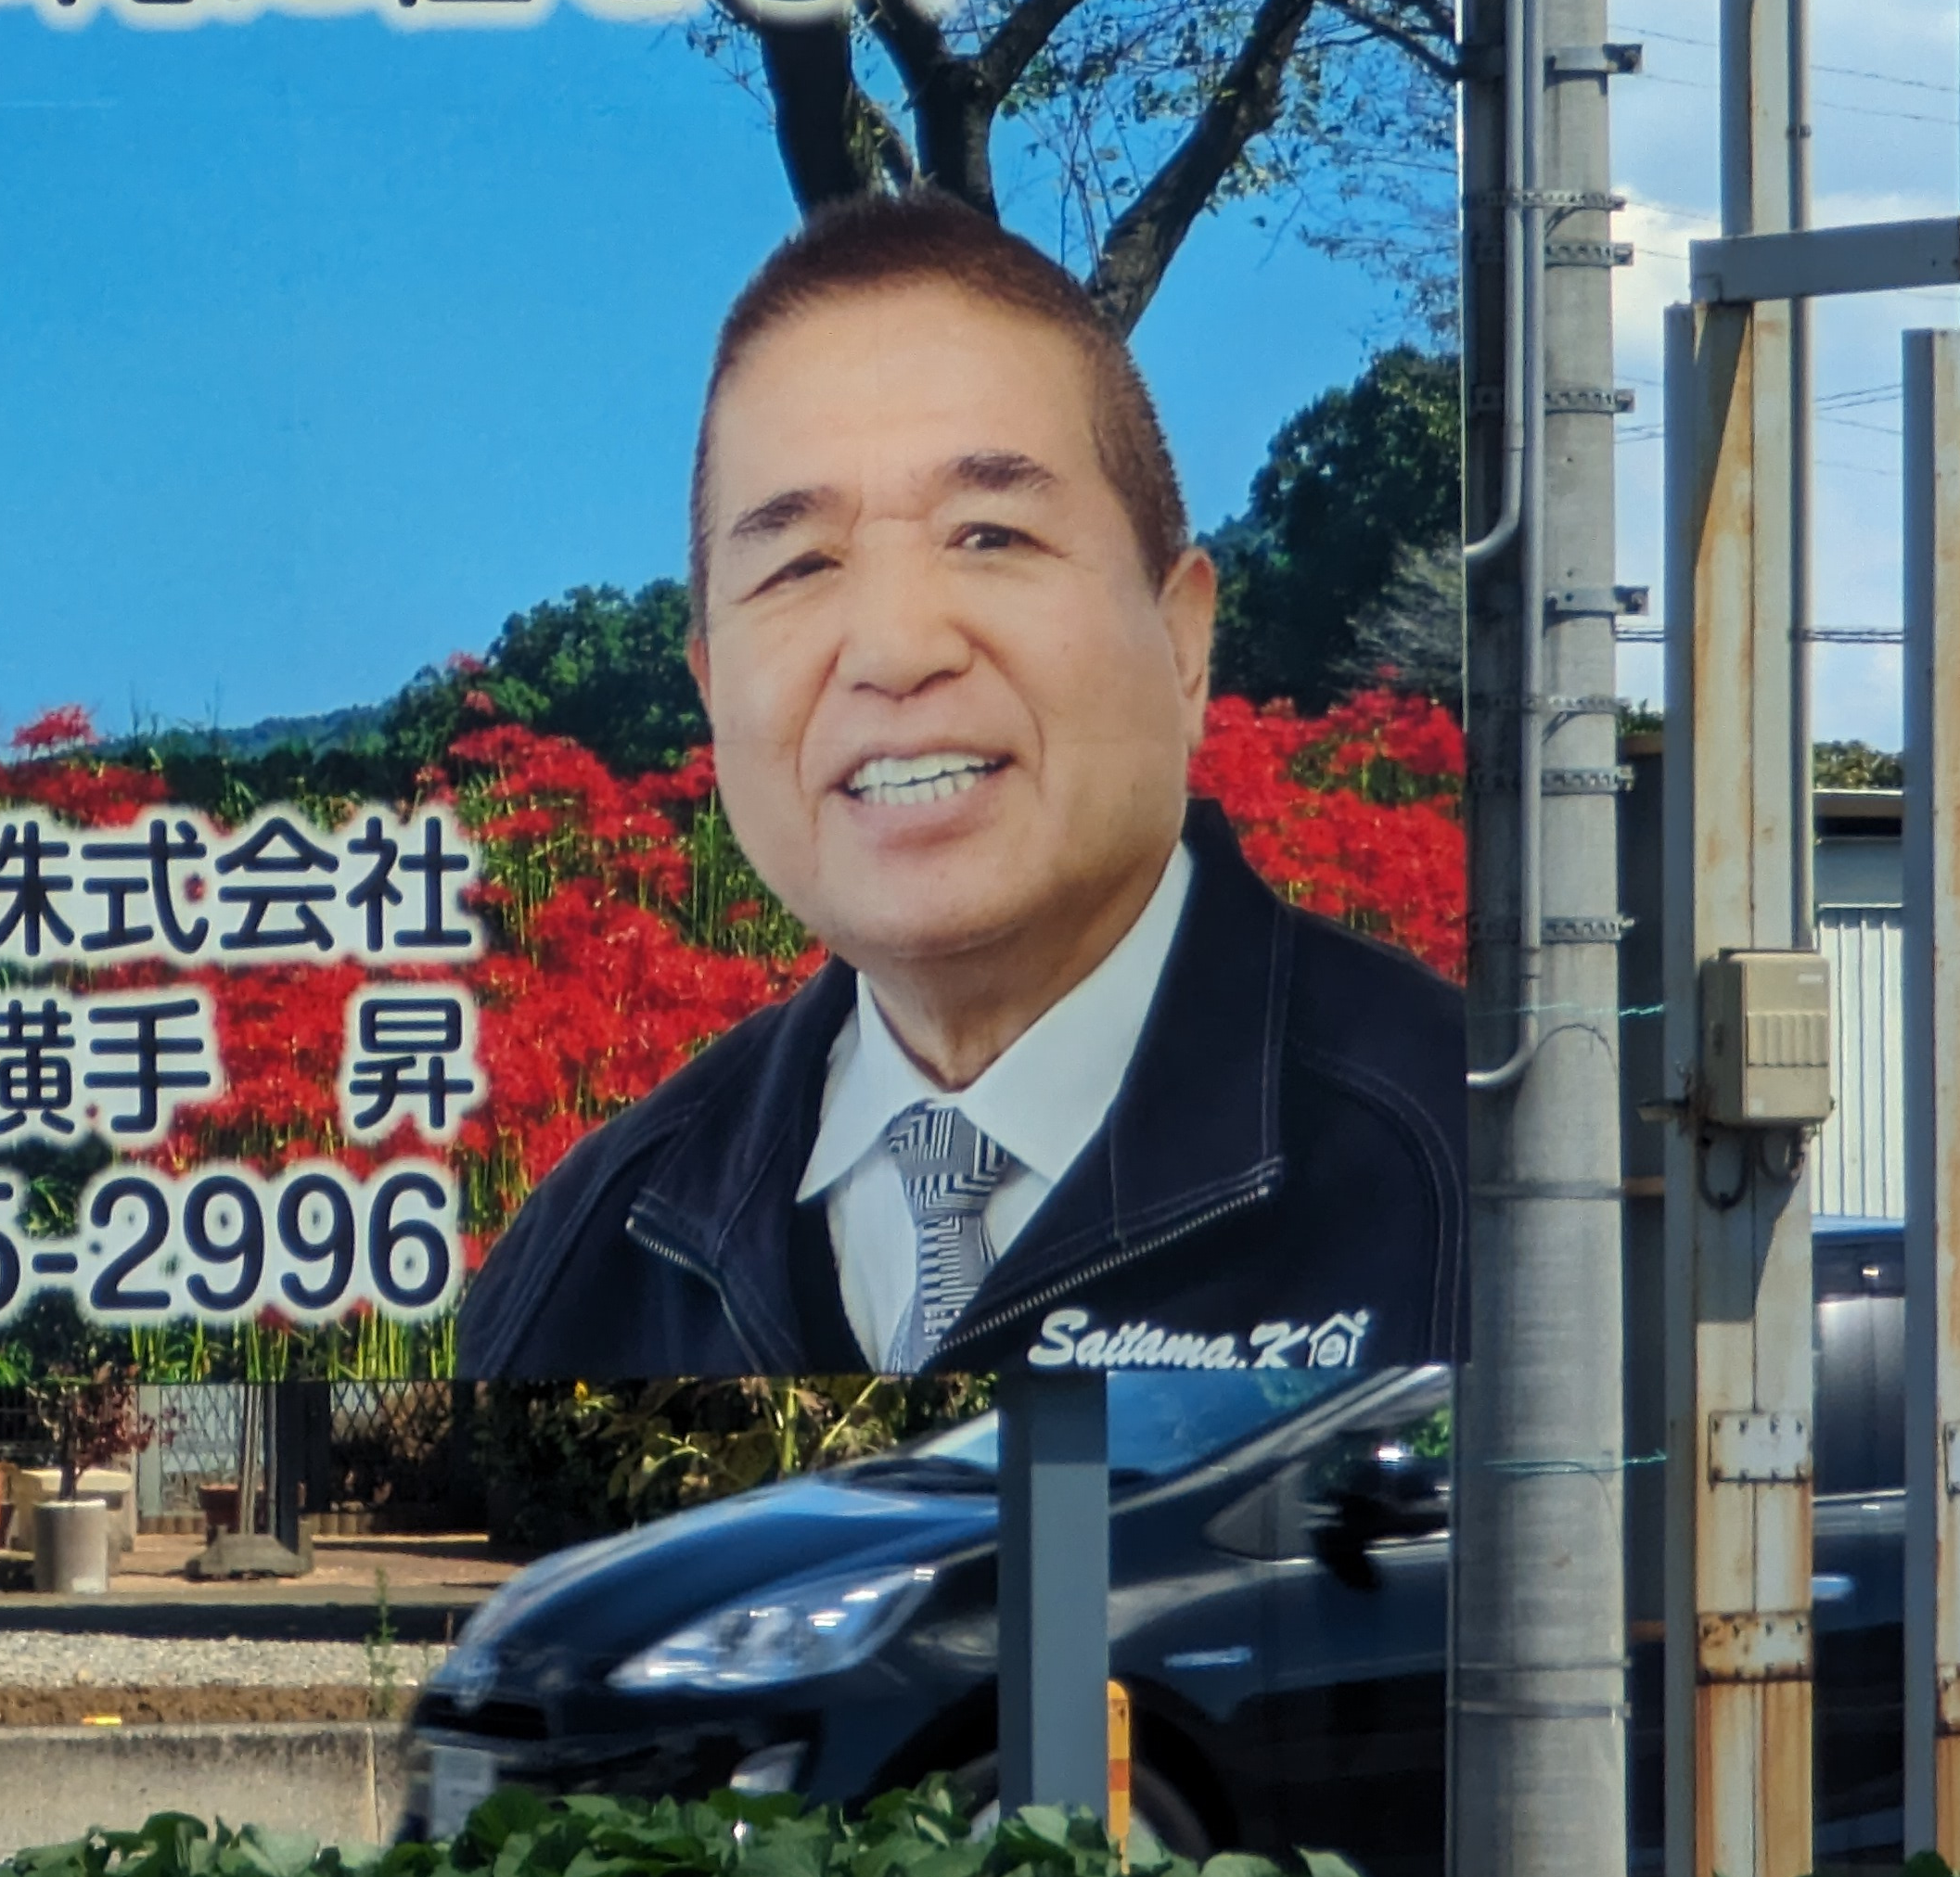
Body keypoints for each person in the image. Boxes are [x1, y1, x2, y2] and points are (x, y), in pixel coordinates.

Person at [456, 192, 1467, 1380]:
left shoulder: (1476, 1170)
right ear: (712, 689)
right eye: (800, 565)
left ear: (1184, 642)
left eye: (990, 535)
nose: (895, 649)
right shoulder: (585, 1265)